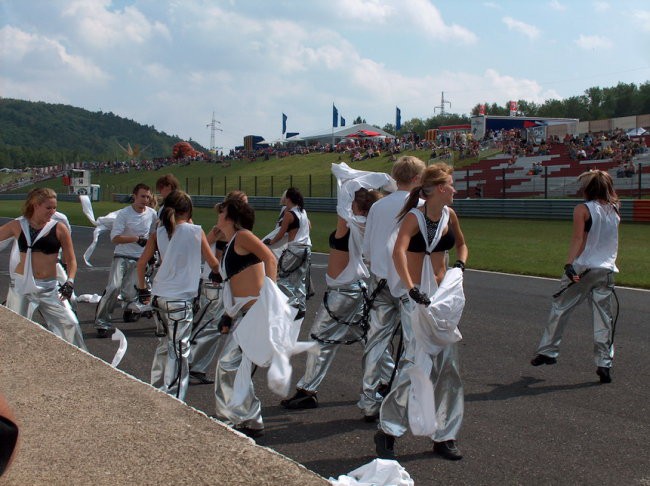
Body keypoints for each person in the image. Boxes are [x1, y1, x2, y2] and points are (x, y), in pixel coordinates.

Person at [374, 162, 468, 461]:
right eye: (451, 185)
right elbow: (398, 250)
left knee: (449, 370)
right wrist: (410, 285)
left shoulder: (449, 215)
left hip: (443, 300)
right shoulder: (414, 217)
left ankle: (445, 435)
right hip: (417, 298)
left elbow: (463, 245)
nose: (454, 190)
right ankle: (388, 429)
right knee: (415, 365)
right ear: (441, 188)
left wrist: (460, 266)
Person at [281, 187, 383, 409]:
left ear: (355, 205)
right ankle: (391, 377)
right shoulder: (365, 225)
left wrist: (345, 180)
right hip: (354, 289)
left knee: (319, 339)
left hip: (343, 292)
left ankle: (307, 390)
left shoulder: (349, 224)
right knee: (369, 337)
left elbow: (341, 199)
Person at [530, 170, 620, 384]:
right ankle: (604, 363)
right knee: (604, 318)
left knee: (561, 306)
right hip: (606, 270)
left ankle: (549, 350)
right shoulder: (615, 209)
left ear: (589, 188)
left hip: (583, 268)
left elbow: (579, 238)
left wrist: (569, 264)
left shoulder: (582, 209)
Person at [357, 156, 425, 422]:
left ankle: (368, 399)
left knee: (376, 342)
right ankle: (403, 398)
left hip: (380, 279)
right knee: (412, 344)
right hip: (411, 283)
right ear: (418, 178)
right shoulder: (421, 206)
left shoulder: (379, 206)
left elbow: (367, 249)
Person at [136, 190, 220, 401]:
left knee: (165, 345)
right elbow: (212, 262)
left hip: (159, 295)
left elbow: (142, 263)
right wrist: (221, 275)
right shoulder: (195, 231)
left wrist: (142, 288)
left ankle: (156, 385)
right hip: (180, 299)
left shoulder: (159, 233)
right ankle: (173, 397)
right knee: (179, 350)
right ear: (188, 210)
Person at [213, 198, 278, 438]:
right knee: (235, 367)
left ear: (231, 217)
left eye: (222, 213)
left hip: (255, 313)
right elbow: (232, 285)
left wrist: (271, 296)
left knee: (227, 365)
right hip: (243, 315)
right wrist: (228, 316)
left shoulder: (243, 236)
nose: (218, 216)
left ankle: (244, 416)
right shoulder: (231, 242)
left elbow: (270, 259)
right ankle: (248, 418)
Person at [0, 188, 86, 350]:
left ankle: (79, 364)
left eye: (55, 208)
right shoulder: (18, 225)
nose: (53, 212)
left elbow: (72, 260)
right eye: (49, 208)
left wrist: (70, 281)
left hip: (49, 288)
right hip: (21, 288)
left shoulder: (59, 228)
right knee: (15, 332)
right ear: (35, 205)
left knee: (71, 324)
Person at [188, 190, 248, 386]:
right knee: (210, 326)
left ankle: (197, 365)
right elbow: (212, 249)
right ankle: (188, 361)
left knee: (214, 328)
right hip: (216, 283)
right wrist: (219, 271)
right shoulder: (224, 230)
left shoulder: (227, 228)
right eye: (245, 203)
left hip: (220, 282)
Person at [94, 183, 157, 338]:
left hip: (140, 259)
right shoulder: (124, 214)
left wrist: (152, 255)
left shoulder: (152, 214)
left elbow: (154, 236)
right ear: (134, 196)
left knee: (131, 293)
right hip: (122, 256)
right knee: (113, 287)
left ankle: (130, 311)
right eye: (142, 196)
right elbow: (115, 238)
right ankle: (102, 322)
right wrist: (136, 239)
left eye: (148, 197)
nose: (145, 200)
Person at [264, 187, 311, 320]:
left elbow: (281, 233)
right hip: (307, 249)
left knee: (282, 278)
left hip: (294, 249)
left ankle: (293, 303)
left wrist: (271, 241)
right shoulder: (303, 212)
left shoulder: (289, 214)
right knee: (299, 279)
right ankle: (302, 307)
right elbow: (308, 226)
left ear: (288, 198)